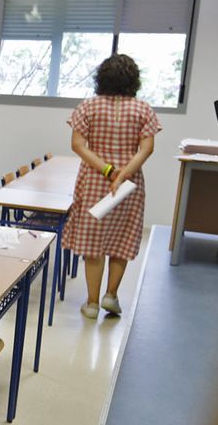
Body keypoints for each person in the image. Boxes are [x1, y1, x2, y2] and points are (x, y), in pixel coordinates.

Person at [64, 54, 161, 318]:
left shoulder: (88, 106)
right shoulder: (143, 109)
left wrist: (108, 170)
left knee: (93, 243)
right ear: (134, 80)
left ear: (101, 78)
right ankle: (111, 296)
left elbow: (77, 145)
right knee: (122, 240)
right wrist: (123, 173)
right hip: (129, 186)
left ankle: (92, 303)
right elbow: (147, 148)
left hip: (95, 182)